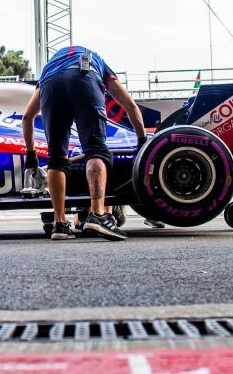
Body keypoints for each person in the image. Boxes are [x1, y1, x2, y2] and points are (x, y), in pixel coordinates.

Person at [21, 45, 146, 241]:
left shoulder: (49, 69)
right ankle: (97, 214)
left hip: (51, 87)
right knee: (96, 151)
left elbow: (27, 117)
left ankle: (60, 224)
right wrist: (142, 142)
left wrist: (31, 156)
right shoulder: (98, 61)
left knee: (56, 159)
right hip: (83, 78)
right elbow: (129, 104)